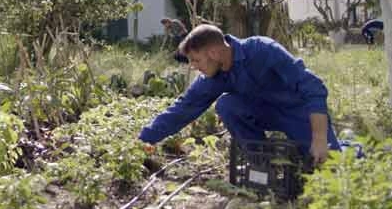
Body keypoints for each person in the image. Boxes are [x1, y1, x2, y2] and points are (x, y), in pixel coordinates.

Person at [139, 24, 340, 164]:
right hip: (264, 114)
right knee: (227, 105)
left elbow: (313, 88)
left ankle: (350, 148)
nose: (193, 67)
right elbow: (183, 109)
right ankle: (261, 163)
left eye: (196, 60)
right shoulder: (213, 77)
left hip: (298, 113)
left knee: (331, 163)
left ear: (214, 53)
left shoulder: (263, 50)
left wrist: (320, 137)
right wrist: (143, 140)